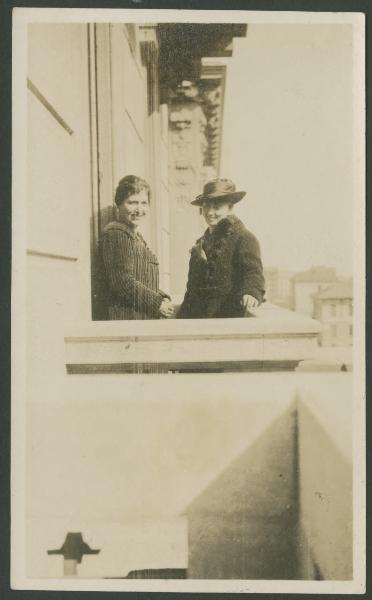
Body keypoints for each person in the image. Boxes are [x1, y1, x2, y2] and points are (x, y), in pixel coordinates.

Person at [177, 178, 265, 319]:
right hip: (195, 319)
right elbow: (191, 290)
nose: (210, 212)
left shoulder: (244, 238)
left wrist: (251, 292)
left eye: (217, 207)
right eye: (206, 206)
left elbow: (253, 273)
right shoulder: (202, 242)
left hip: (224, 319)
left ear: (230, 207)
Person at [101, 175, 174, 320]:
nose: (139, 209)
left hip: (140, 317)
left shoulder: (135, 236)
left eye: (144, 203)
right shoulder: (117, 234)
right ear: (119, 204)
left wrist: (162, 297)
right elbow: (122, 281)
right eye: (132, 202)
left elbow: (142, 279)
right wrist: (157, 303)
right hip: (127, 319)